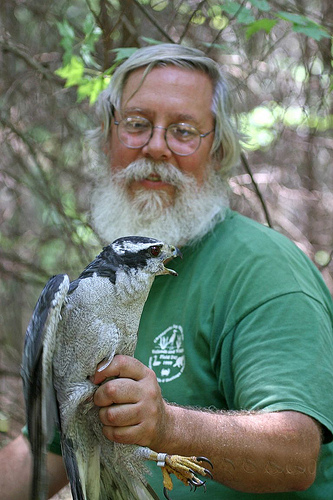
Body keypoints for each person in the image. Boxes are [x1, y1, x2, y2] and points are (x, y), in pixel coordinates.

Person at [1, 44, 333, 499]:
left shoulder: (263, 270)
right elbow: (46, 453)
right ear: (107, 139)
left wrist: (167, 424)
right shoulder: (98, 287)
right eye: (137, 124)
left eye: (183, 131)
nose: (155, 147)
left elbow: (296, 454)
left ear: (216, 151)